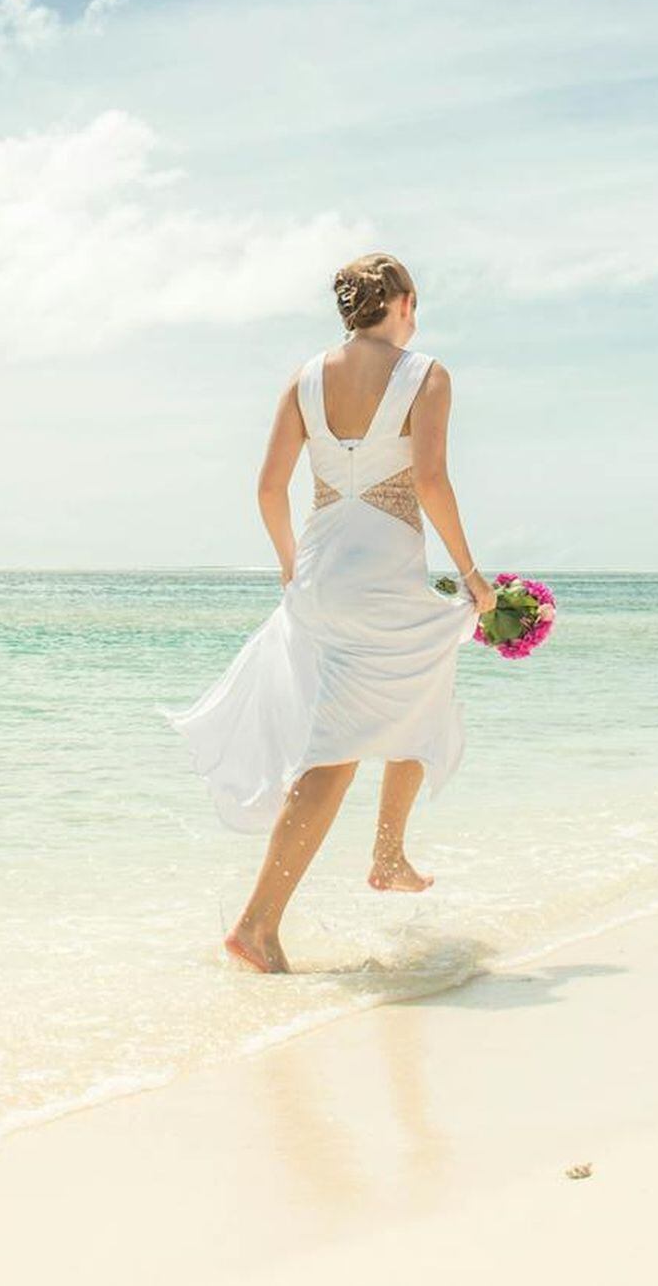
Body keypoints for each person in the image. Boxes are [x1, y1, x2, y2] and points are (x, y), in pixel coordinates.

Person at [170, 253, 495, 973]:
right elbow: (433, 479)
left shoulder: (304, 378)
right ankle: (258, 925)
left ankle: (386, 854)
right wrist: (471, 574)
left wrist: (292, 566)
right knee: (336, 752)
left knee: (425, 678)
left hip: (320, 574)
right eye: (416, 304)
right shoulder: (427, 374)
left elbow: (267, 489)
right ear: (404, 301)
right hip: (380, 575)